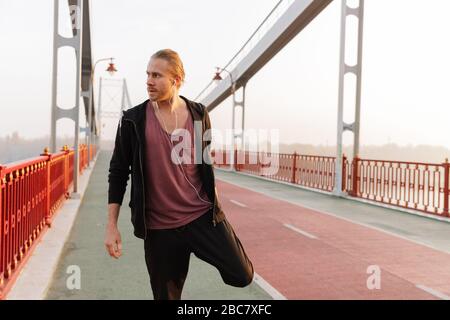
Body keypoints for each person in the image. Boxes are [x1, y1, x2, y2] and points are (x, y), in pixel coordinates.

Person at [104, 49, 254, 300]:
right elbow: (118, 172)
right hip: (159, 228)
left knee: (242, 274)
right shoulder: (132, 120)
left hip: (201, 218)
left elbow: (204, 162)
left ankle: (192, 248)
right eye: (148, 74)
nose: (149, 81)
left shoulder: (198, 114)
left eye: (157, 75)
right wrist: (111, 226)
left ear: (176, 80)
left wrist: (216, 204)